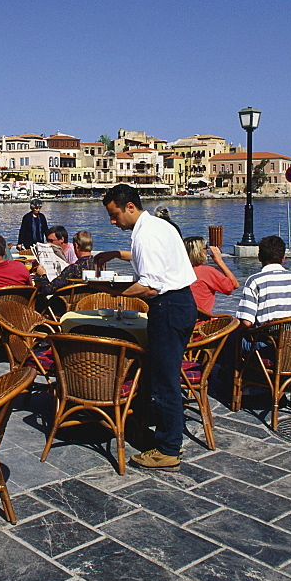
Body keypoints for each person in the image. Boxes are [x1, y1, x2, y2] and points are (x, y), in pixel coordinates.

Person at [93, 184, 197, 471]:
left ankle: (168, 449)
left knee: (165, 382)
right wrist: (116, 253)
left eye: (114, 215)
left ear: (129, 207)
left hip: (167, 308)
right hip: (182, 303)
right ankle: (154, 430)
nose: (113, 222)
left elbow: (150, 287)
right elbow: (151, 260)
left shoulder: (146, 235)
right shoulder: (159, 226)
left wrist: (113, 292)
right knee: (160, 374)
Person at [235, 235, 291, 328]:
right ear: (283, 258)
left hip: (270, 340)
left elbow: (246, 322)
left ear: (259, 257)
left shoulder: (255, 281)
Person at [184, 236, 240, 314]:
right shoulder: (206, 272)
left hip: (182, 318)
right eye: (205, 248)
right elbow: (234, 285)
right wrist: (220, 261)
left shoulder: (178, 272)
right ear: (199, 251)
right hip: (202, 321)